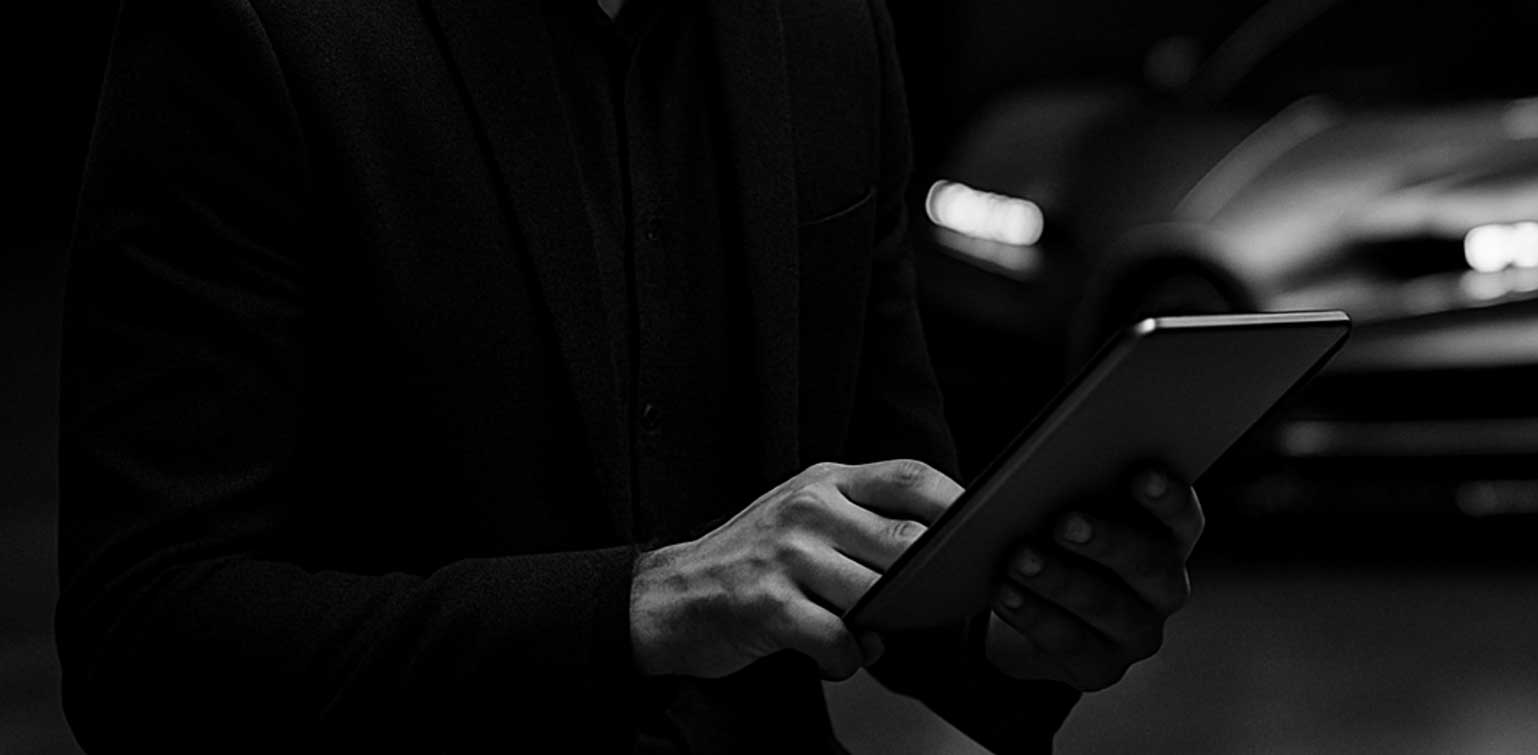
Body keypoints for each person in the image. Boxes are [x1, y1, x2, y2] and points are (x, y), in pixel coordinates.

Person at [56, 0, 1203, 751]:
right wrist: (637, 607)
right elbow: (144, 642)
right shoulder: (243, 32)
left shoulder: (831, 33)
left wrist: (1022, 624)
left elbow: (885, 530)